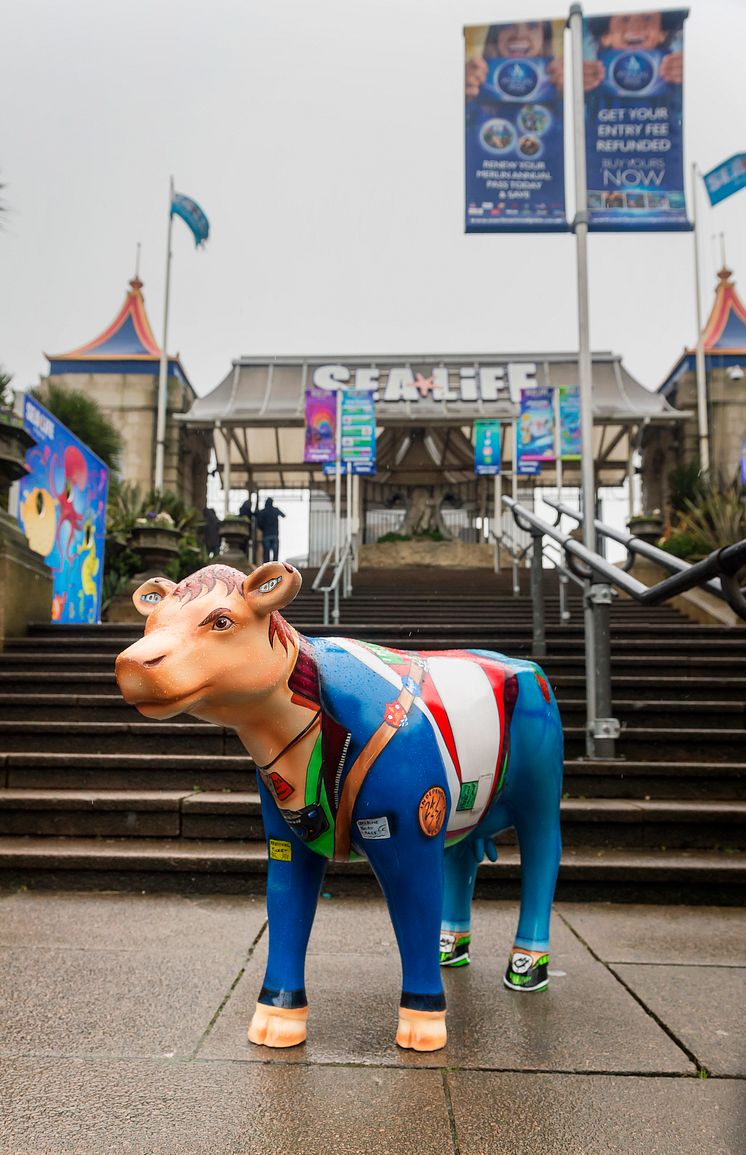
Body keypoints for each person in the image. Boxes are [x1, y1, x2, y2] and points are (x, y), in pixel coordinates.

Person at [255, 497, 285, 563]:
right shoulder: (275, 510)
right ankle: (275, 567)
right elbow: (283, 515)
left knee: (266, 554)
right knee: (275, 554)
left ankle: (267, 568)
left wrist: (262, 527)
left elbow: (258, 522)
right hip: (275, 534)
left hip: (266, 535)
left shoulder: (263, 511)